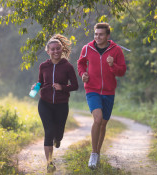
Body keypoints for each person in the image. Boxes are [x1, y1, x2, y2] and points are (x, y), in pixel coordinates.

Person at [77, 22, 126, 169]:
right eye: (96, 34)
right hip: (92, 89)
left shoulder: (116, 50)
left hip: (109, 91)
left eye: (101, 34)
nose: (97, 37)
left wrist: (112, 65)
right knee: (97, 119)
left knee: (103, 123)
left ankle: (97, 153)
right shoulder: (87, 48)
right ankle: (93, 154)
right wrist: (83, 74)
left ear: (107, 36)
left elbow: (122, 71)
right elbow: (80, 63)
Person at [31, 34, 78, 173]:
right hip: (44, 103)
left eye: (58, 48)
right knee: (49, 131)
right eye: (53, 49)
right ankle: (49, 163)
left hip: (61, 104)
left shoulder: (68, 66)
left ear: (62, 49)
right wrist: (35, 87)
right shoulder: (43, 66)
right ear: (48, 51)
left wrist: (62, 87)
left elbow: (75, 85)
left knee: (59, 134)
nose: (56, 51)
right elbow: (40, 82)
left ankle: (58, 139)